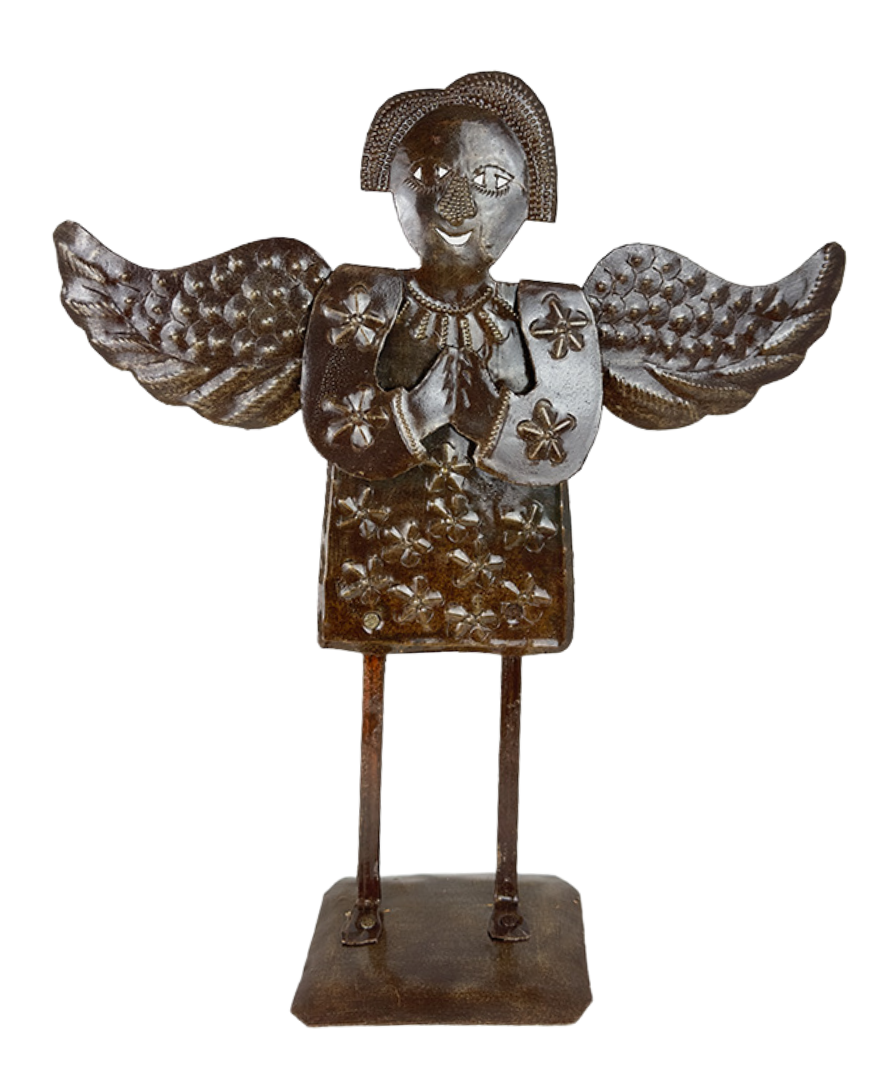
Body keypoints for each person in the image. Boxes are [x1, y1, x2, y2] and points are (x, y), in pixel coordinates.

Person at [300, 73, 603, 943]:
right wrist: (422, 412)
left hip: (508, 541)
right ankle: (368, 894)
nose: (459, 203)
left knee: (509, 688)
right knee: (377, 687)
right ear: (398, 186)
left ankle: (507, 893)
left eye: (490, 180)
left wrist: (487, 421)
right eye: (432, 177)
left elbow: (567, 434)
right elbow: (334, 417)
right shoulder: (356, 301)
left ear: (530, 196)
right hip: (382, 540)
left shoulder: (553, 314)